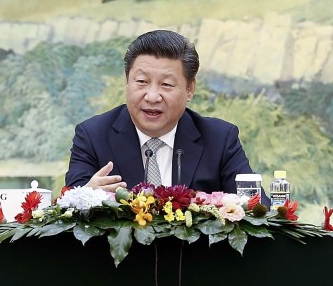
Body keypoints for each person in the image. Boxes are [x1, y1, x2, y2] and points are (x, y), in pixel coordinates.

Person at [65, 29, 261, 195]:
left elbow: (258, 211)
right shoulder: (93, 136)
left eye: (166, 84)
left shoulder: (219, 139)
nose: (152, 97)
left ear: (190, 89)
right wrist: (86, 196)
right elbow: (67, 212)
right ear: (126, 82)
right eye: (141, 82)